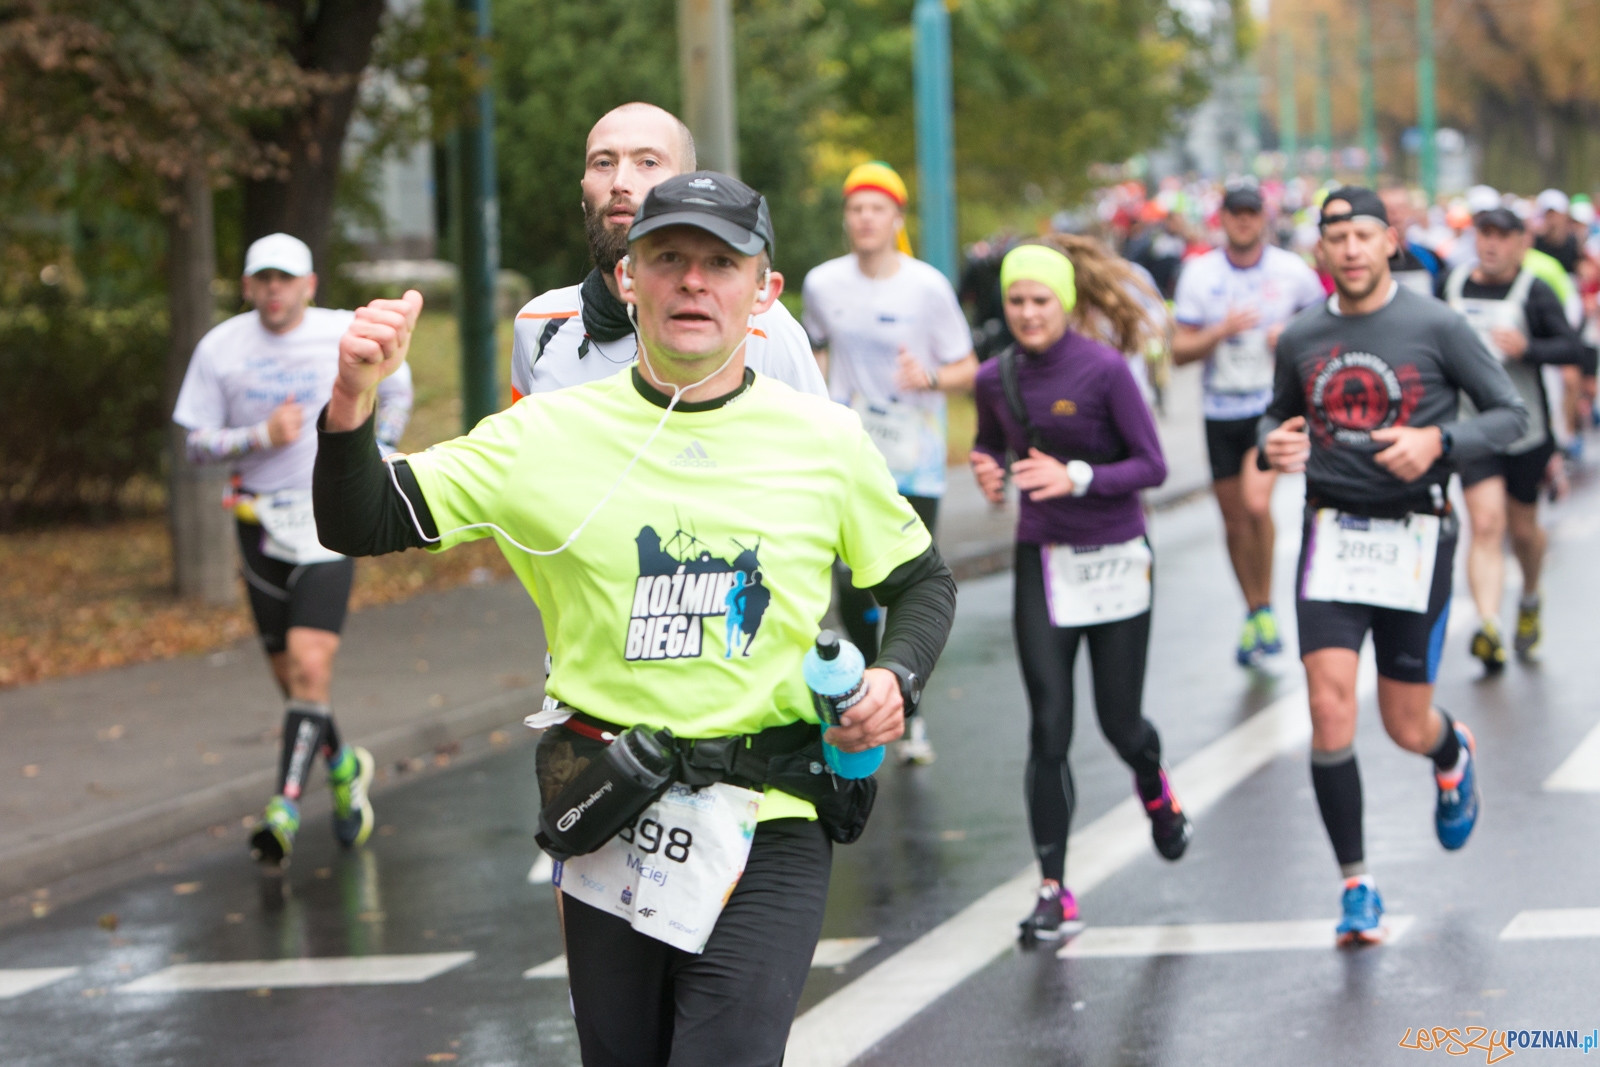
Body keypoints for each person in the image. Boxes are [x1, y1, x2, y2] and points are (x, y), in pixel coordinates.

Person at [312, 172, 957, 1067]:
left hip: (772, 806)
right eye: (667, 258)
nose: (693, 281)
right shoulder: (545, 434)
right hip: (609, 805)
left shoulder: (824, 439)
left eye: (721, 263)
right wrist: (352, 400)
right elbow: (358, 520)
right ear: (628, 279)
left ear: (762, 292)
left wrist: (895, 677)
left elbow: (923, 581)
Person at [1258, 187, 1526, 945]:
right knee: (1330, 707)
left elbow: (1511, 416)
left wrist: (1438, 444)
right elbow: (1275, 416)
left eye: (1363, 233)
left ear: (1390, 243)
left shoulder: (1436, 323)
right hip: (1331, 536)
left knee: (1405, 723)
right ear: (1320, 250)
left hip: (1414, 537)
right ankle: (1356, 884)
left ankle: (1450, 750)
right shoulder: (1300, 335)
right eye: (1335, 234)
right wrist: (1270, 444)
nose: (1349, 247)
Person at [969, 236, 1189, 943]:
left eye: (1040, 300)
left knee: (1120, 723)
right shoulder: (993, 377)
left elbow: (1153, 465)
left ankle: (1155, 790)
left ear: (1065, 302)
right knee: (1049, 725)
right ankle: (1054, 889)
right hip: (1046, 560)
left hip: (1117, 555)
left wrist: (1080, 477)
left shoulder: (1104, 371)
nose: (1028, 313)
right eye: (1016, 301)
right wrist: (987, 467)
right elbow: (988, 441)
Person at [172, 232, 413, 866]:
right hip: (257, 526)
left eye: (287, 279)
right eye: (264, 280)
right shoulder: (221, 349)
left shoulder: (341, 332)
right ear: (249, 287)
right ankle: (344, 770)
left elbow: (398, 387)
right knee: (295, 681)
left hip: (326, 519)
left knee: (310, 664)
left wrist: (379, 452)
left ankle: (281, 807)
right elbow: (193, 444)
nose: (275, 290)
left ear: (309, 286)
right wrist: (259, 435)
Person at [802, 160, 977, 764]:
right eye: (855, 208)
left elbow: (967, 366)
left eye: (876, 208)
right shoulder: (824, 283)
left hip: (915, 456)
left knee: (905, 585)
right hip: (851, 452)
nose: (865, 218)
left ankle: (908, 707)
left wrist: (928, 376)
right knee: (852, 592)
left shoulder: (926, 287)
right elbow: (814, 351)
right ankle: (865, 696)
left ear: (896, 219)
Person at [508, 102, 826, 401]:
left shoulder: (764, 327)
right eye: (603, 162)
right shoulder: (539, 324)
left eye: (648, 162)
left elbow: (819, 449)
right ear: (582, 192)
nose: (620, 182)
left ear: (688, 185)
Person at [1171, 182, 1326, 667]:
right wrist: (1220, 331)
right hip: (1220, 410)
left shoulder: (1291, 272)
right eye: (1235, 213)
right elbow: (1178, 352)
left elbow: (1327, 327)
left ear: (1264, 218)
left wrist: (1294, 336)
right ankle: (1256, 609)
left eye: (1251, 213)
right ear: (1222, 219)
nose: (1244, 221)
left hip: (1272, 409)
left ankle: (1264, 606)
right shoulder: (1200, 274)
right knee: (1235, 521)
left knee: (1257, 504)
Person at [1441, 204, 1590, 670]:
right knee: (1485, 525)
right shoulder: (1453, 285)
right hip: (1471, 427)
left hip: (1526, 430)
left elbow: (1578, 350)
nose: (1491, 244)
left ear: (1520, 242)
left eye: (1502, 236)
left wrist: (1529, 349)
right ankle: (1488, 626)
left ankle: (1528, 595)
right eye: (1484, 233)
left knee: (1523, 529)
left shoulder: (1535, 290)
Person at [1378, 182, 1443, 295]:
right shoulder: (1365, 260)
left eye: (1401, 208)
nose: (1396, 216)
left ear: (1410, 211)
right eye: (1388, 209)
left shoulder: (1429, 258)